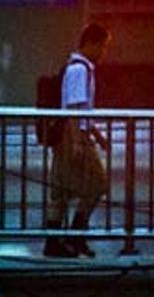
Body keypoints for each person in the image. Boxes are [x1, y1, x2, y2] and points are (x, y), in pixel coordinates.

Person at [43, 23, 111, 258]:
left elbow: (81, 110)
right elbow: (73, 109)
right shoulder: (80, 70)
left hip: (74, 136)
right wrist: (78, 141)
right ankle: (73, 236)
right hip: (73, 137)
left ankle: (63, 241)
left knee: (62, 190)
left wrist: (98, 136)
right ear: (91, 43)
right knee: (97, 184)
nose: (103, 52)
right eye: (102, 46)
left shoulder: (81, 68)